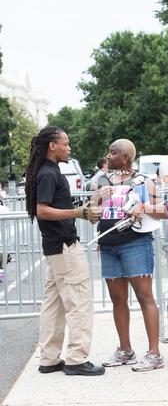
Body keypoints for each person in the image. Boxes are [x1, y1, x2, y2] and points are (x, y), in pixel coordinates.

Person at [25, 126, 105, 376]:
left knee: (54, 305)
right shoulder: (48, 173)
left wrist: (89, 203)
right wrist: (78, 213)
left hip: (54, 248)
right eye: (66, 143)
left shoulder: (46, 171)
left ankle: (49, 358)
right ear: (52, 145)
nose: (69, 148)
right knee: (79, 302)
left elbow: (55, 206)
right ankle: (76, 358)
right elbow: (43, 210)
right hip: (64, 246)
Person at [94, 138, 167, 372]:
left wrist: (144, 208)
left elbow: (163, 211)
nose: (108, 156)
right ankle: (125, 350)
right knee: (118, 301)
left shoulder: (143, 182)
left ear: (125, 157)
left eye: (112, 152)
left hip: (135, 244)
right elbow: (93, 213)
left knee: (145, 297)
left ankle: (154, 354)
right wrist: (95, 200)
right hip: (108, 246)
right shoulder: (102, 181)